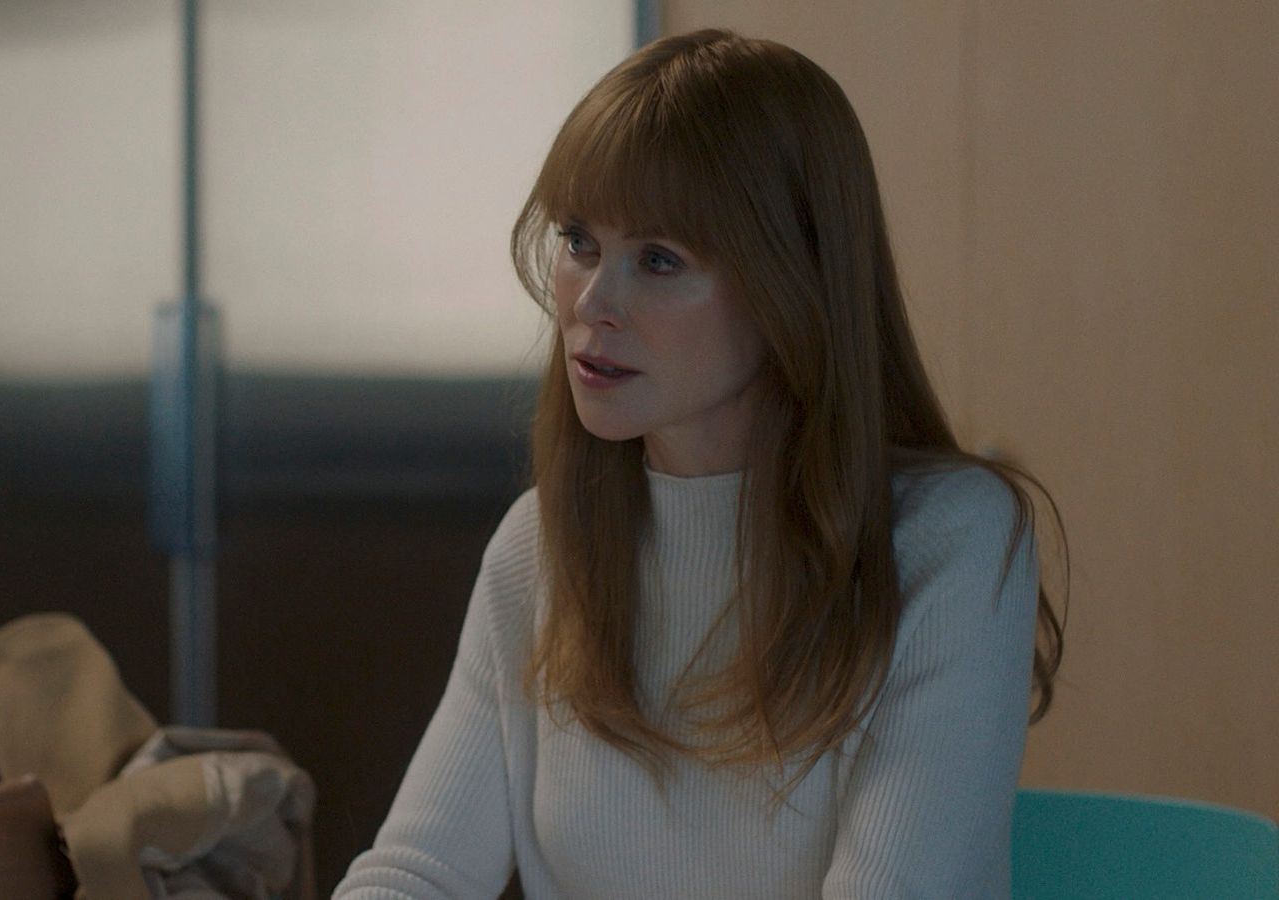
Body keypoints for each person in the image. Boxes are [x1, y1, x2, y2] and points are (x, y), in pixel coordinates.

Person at [335, 28, 1065, 900]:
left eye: (659, 259)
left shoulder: (952, 540)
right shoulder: (540, 545)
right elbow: (417, 872)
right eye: (580, 242)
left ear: (791, 288)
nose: (594, 302)